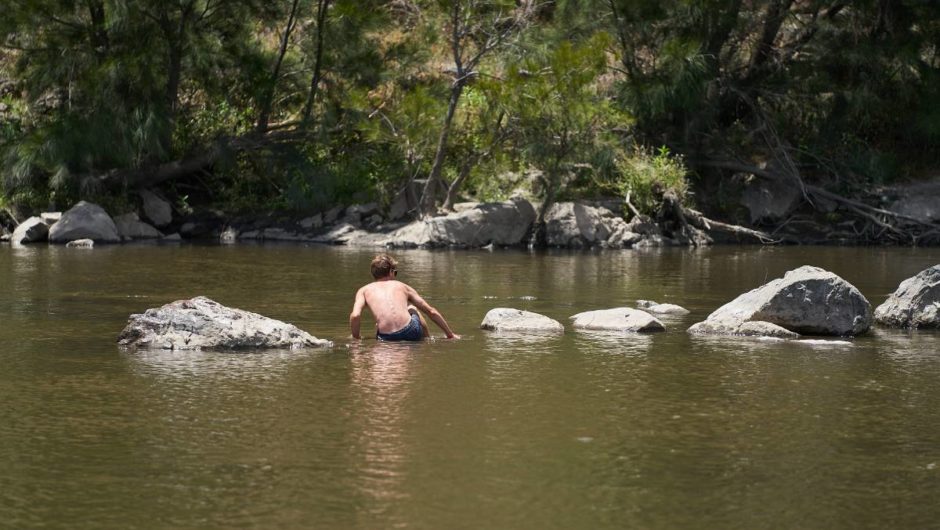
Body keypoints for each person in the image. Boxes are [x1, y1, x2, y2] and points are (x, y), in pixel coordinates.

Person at [349, 254, 458, 341]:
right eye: (395, 273)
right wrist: (450, 334)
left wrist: (356, 338)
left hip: (386, 337)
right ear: (391, 272)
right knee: (412, 308)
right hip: (410, 331)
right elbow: (431, 311)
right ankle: (426, 339)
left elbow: (355, 316)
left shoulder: (364, 290)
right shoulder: (403, 286)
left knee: (378, 324)